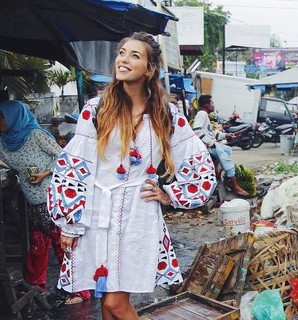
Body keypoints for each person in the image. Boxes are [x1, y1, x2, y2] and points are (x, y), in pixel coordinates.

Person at [46, 32, 217, 319]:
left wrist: (169, 194)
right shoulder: (97, 109)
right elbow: (76, 164)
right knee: (105, 300)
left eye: (134, 55)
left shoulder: (167, 114)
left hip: (138, 216)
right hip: (97, 212)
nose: (123, 59)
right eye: (122, 53)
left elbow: (198, 162)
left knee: (115, 302)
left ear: (150, 69)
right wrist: (70, 221)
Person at [0, 92, 91, 304]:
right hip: (32, 199)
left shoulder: (35, 135)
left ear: (13, 117)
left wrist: (45, 172)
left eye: (2, 117)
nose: (0, 122)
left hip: (53, 197)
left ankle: (79, 290)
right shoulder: (4, 142)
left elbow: (65, 157)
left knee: (63, 243)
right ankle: (35, 285)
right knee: (38, 245)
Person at [193, 95, 249, 197]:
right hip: (209, 147)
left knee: (226, 150)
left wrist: (225, 135)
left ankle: (217, 171)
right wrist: (211, 143)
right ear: (206, 105)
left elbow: (211, 133)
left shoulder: (205, 115)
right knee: (228, 164)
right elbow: (196, 130)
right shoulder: (202, 114)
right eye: (212, 103)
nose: (213, 105)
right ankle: (236, 187)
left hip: (212, 145)